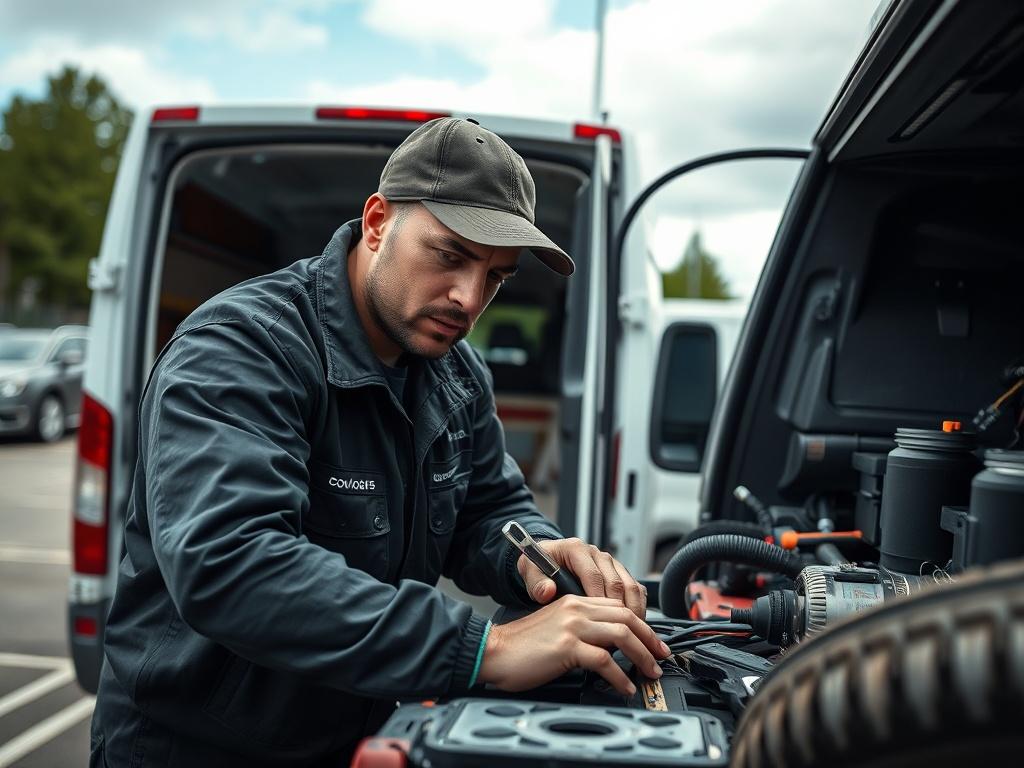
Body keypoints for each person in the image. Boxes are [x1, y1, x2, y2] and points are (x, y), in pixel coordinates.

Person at [90, 117, 670, 767]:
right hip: (194, 749)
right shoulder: (240, 347)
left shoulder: (456, 371)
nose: (468, 299)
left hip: (355, 735)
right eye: (449, 255)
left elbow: (487, 510)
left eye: (496, 277)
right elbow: (231, 563)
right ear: (376, 223)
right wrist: (487, 650)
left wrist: (535, 554)